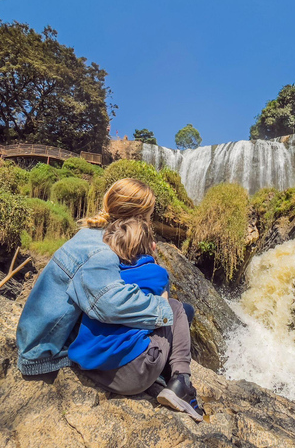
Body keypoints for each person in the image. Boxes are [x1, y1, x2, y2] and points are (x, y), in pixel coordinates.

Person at [15, 178, 204, 421]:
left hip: (55, 341)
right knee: (176, 309)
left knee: (172, 310)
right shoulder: (101, 252)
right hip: (46, 351)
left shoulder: (90, 235)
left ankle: (169, 374)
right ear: (139, 217)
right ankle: (180, 381)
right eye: (149, 216)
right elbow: (109, 303)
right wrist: (163, 306)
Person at [68, 217, 204, 421]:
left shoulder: (108, 272)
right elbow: (162, 315)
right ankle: (180, 381)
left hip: (91, 368)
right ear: (151, 246)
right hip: (132, 377)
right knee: (177, 309)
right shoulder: (157, 273)